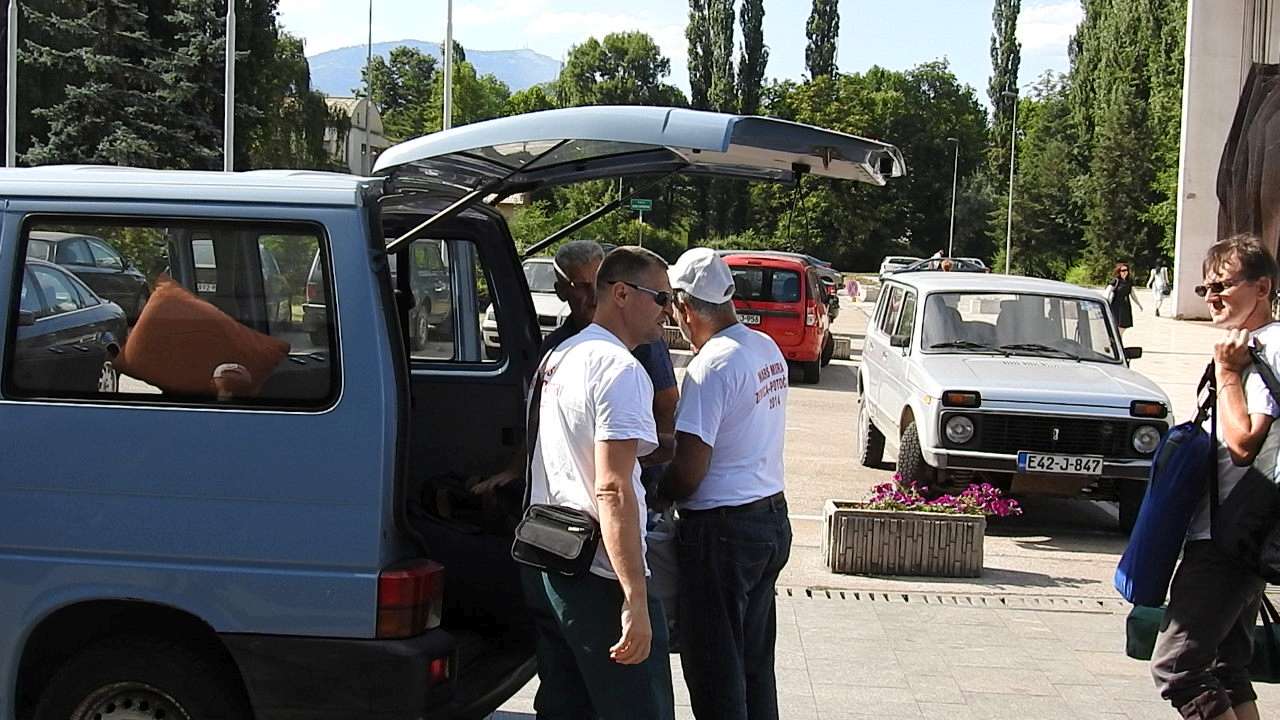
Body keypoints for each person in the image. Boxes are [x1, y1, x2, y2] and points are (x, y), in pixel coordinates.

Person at [522, 246, 676, 720]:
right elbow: (613, 488)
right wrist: (634, 598)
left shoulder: (560, 354)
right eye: (661, 298)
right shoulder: (620, 370)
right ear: (622, 293)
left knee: (564, 706)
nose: (668, 311)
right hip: (600, 574)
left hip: (549, 554)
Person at [1151, 233, 1280, 720]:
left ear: (1262, 287)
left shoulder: (1262, 348)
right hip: (1241, 530)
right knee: (1226, 666)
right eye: (1206, 288)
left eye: (1222, 285)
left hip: (1231, 535)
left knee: (1177, 668)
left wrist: (1226, 371)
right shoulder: (1256, 344)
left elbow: (1244, 444)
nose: (1211, 297)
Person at [660, 247, 792, 720]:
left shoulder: (709, 367)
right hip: (769, 519)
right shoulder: (764, 347)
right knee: (754, 666)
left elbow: (690, 471)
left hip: (722, 534)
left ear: (685, 306)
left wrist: (656, 493)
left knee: (715, 669)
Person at [472, 240, 677, 494]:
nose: (593, 296)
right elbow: (539, 416)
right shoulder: (556, 348)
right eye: (582, 286)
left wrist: (650, 465)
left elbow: (667, 405)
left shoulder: (640, 347)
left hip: (633, 485)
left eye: (598, 283)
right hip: (574, 496)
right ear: (561, 291)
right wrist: (517, 469)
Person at [1108, 262, 1143, 338]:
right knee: (1116, 325)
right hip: (1116, 306)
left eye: (1126, 270)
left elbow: (1133, 294)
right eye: (1123, 270)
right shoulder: (1115, 281)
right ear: (1119, 272)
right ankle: (1117, 340)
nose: (1125, 272)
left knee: (1123, 326)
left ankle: (1117, 339)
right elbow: (1107, 292)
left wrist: (1139, 304)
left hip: (1125, 306)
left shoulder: (1129, 282)